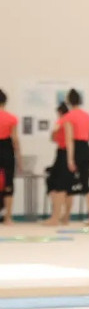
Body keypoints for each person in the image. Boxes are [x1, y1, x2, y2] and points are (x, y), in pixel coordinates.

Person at [61, 89, 89, 225]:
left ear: (69, 101)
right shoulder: (87, 115)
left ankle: (66, 217)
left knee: (69, 185)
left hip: (76, 148)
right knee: (86, 184)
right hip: (86, 148)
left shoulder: (68, 117)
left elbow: (69, 139)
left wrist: (70, 159)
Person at [45, 102, 74, 226]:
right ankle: (65, 216)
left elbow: (68, 140)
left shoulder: (64, 120)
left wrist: (70, 160)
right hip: (64, 153)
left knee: (58, 186)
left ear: (60, 112)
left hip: (64, 154)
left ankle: (56, 217)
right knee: (67, 187)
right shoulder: (68, 120)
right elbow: (54, 138)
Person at [0, 89, 23, 225]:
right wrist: (19, 159)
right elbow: (15, 139)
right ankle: (8, 217)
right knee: (9, 183)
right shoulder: (12, 118)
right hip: (7, 150)